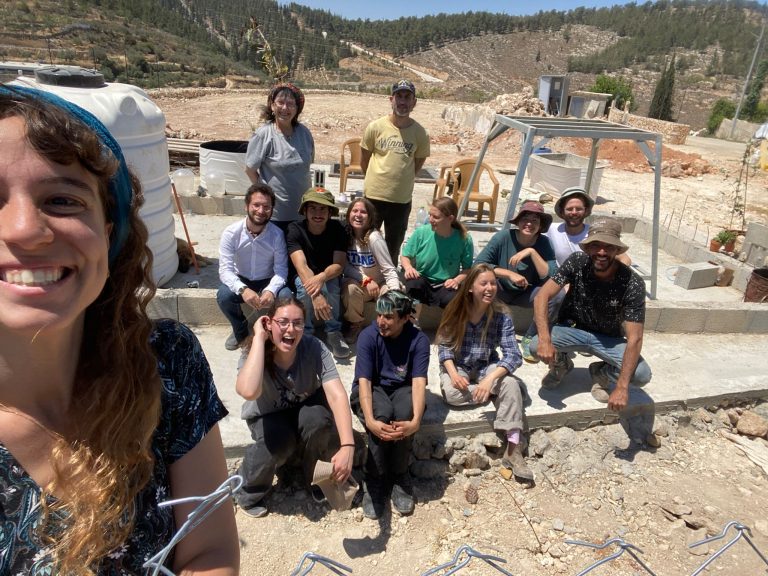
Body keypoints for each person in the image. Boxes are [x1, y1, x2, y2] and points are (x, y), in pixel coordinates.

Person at [0, 86, 238, 573]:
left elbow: (209, 550)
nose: (24, 229)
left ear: (108, 235)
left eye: (61, 200)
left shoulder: (166, 364)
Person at [235, 295, 355, 518]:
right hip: (268, 415)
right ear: (269, 323)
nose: (290, 329)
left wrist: (348, 445)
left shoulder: (313, 347)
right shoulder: (254, 352)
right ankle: (247, 491)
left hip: (304, 407)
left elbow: (336, 395)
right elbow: (248, 391)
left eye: (297, 323)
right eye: (282, 322)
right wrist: (259, 338)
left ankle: (314, 477)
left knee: (319, 421)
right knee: (279, 441)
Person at [529, 218, 652, 412]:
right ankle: (561, 365)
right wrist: (545, 339)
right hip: (572, 329)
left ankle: (601, 373)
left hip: (608, 339)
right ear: (587, 248)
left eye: (609, 247)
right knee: (535, 346)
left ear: (617, 250)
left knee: (641, 375)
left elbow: (635, 338)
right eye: (595, 245)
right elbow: (542, 296)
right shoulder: (577, 262)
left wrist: (621, 387)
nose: (601, 252)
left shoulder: (632, 283)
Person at [436, 264, 533, 482]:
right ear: (470, 287)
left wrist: (489, 380)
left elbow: (513, 355)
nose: (490, 288)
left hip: (485, 365)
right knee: (451, 393)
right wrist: (453, 374)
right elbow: (444, 348)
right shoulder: (456, 309)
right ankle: (498, 396)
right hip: (458, 365)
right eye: (484, 283)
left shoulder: (501, 315)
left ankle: (513, 449)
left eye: (493, 283)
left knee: (510, 384)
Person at [351, 291, 429, 519]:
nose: (381, 321)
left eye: (388, 317)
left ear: (404, 318)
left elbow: (418, 382)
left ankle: (399, 475)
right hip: (373, 389)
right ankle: (373, 478)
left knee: (405, 414)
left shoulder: (419, 340)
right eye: (379, 315)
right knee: (381, 415)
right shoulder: (368, 337)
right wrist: (370, 420)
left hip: (402, 389)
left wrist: (416, 421)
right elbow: (364, 382)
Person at [475, 200, 557, 362]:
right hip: (500, 290)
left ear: (540, 225)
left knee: (556, 295)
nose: (529, 224)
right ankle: (479, 328)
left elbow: (549, 276)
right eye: (525, 219)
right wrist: (508, 274)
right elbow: (479, 264)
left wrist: (532, 252)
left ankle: (530, 336)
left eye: (535, 220)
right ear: (518, 222)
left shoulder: (544, 242)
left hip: (528, 293)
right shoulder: (503, 237)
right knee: (475, 283)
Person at [361, 79, 431, 262]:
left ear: (414, 102)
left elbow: (418, 163)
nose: (403, 101)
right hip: (373, 197)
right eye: (399, 96)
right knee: (366, 241)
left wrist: (401, 180)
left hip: (401, 200)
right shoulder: (375, 127)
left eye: (407, 97)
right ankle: (366, 274)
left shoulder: (420, 133)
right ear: (391, 99)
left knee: (393, 246)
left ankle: (389, 276)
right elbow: (364, 159)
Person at [217, 182, 291, 351]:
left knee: (286, 296)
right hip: (242, 278)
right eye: (256, 205)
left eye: (266, 206)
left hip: (267, 279)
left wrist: (271, 290)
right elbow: (225, 269)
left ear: (272, 209)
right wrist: (243, 289)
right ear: (246, 206)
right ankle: (240, 329)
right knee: (224, 295)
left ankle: (274, 331)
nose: (261, 210)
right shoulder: (231, 233)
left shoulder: (277, 235)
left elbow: (281, 270)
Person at [286, 187, 351, 359]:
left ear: (330, 212)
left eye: (323, 209)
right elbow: (301, 266)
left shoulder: (339, 229)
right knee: (303, 289)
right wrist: (316, 295)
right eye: (313, 208)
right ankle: (305, 332)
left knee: (332, 286)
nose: (318, 213)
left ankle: (333, 331)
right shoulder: (295, 229)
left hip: (328, 273)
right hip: (303, 274)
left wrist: (322, 277)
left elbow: (338, 265)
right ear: (305, 211)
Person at [245, 83, 314, 231]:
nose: (285, 108)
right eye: (280, 102)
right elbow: (250, 170)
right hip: (276, 216)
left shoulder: (305, 133)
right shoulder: (263, 135)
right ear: (272, 105)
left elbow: (307, 166)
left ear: (297, 108)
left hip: (303, 213)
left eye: (290, 104)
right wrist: (265, 194)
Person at [343, 197, 401, 341]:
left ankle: (387, 327)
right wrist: (366, 280)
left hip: (380, 284)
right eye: (355, 211)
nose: (358, 215)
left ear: (370, 218)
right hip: (361, 284)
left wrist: (395, 292)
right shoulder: (345, 235)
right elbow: (345, 266)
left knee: (393, 294)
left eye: (363, 212)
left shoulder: (374, 238)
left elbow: (389, 269)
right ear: (348, 214)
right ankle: (355, 324)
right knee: (349, 289)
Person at [401, 196, 473, 313]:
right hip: (423, 279)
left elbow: (467, 269)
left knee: (453, 299)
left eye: (436, 217)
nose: (430, 219)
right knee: (413, 284)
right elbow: (405, 256)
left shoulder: (463, 239)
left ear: (450, 218)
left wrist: (456, 280)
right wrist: (408, 267)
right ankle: (413, 319)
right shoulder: (421, 232)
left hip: (446, 283)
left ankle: (447, 324)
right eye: (430, 215)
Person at [546, 186, 632, 266]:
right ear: (562, 212)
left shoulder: (596, 233)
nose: (574, 212)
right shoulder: (551, 229)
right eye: (569, 209)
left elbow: (625, 259)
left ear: (586, 211)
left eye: (579, 209)